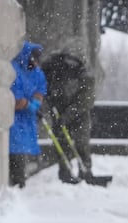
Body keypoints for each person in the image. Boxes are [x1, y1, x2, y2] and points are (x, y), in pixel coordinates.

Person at [41, 46, 95, 184]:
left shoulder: (83, 75)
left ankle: (85, 172)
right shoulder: (54, 70)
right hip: (59, 111)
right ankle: (65, 172)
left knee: (80, 142)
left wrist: (66, 116)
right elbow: (44, 89)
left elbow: (84, 101)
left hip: (75, 113)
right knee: (62, 142)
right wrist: (48, 105)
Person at [8, 41, 47, 188]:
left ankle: (20, 179)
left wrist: (35, 103)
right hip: (15, 119)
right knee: (15, 149)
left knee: (23, 149)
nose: (36, 63)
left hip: (27, 120)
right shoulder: (14, 70)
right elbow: (15, 98)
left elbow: (40, 91)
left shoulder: (37, 74)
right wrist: (26, 104)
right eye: (33, 59)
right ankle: (17, 181)